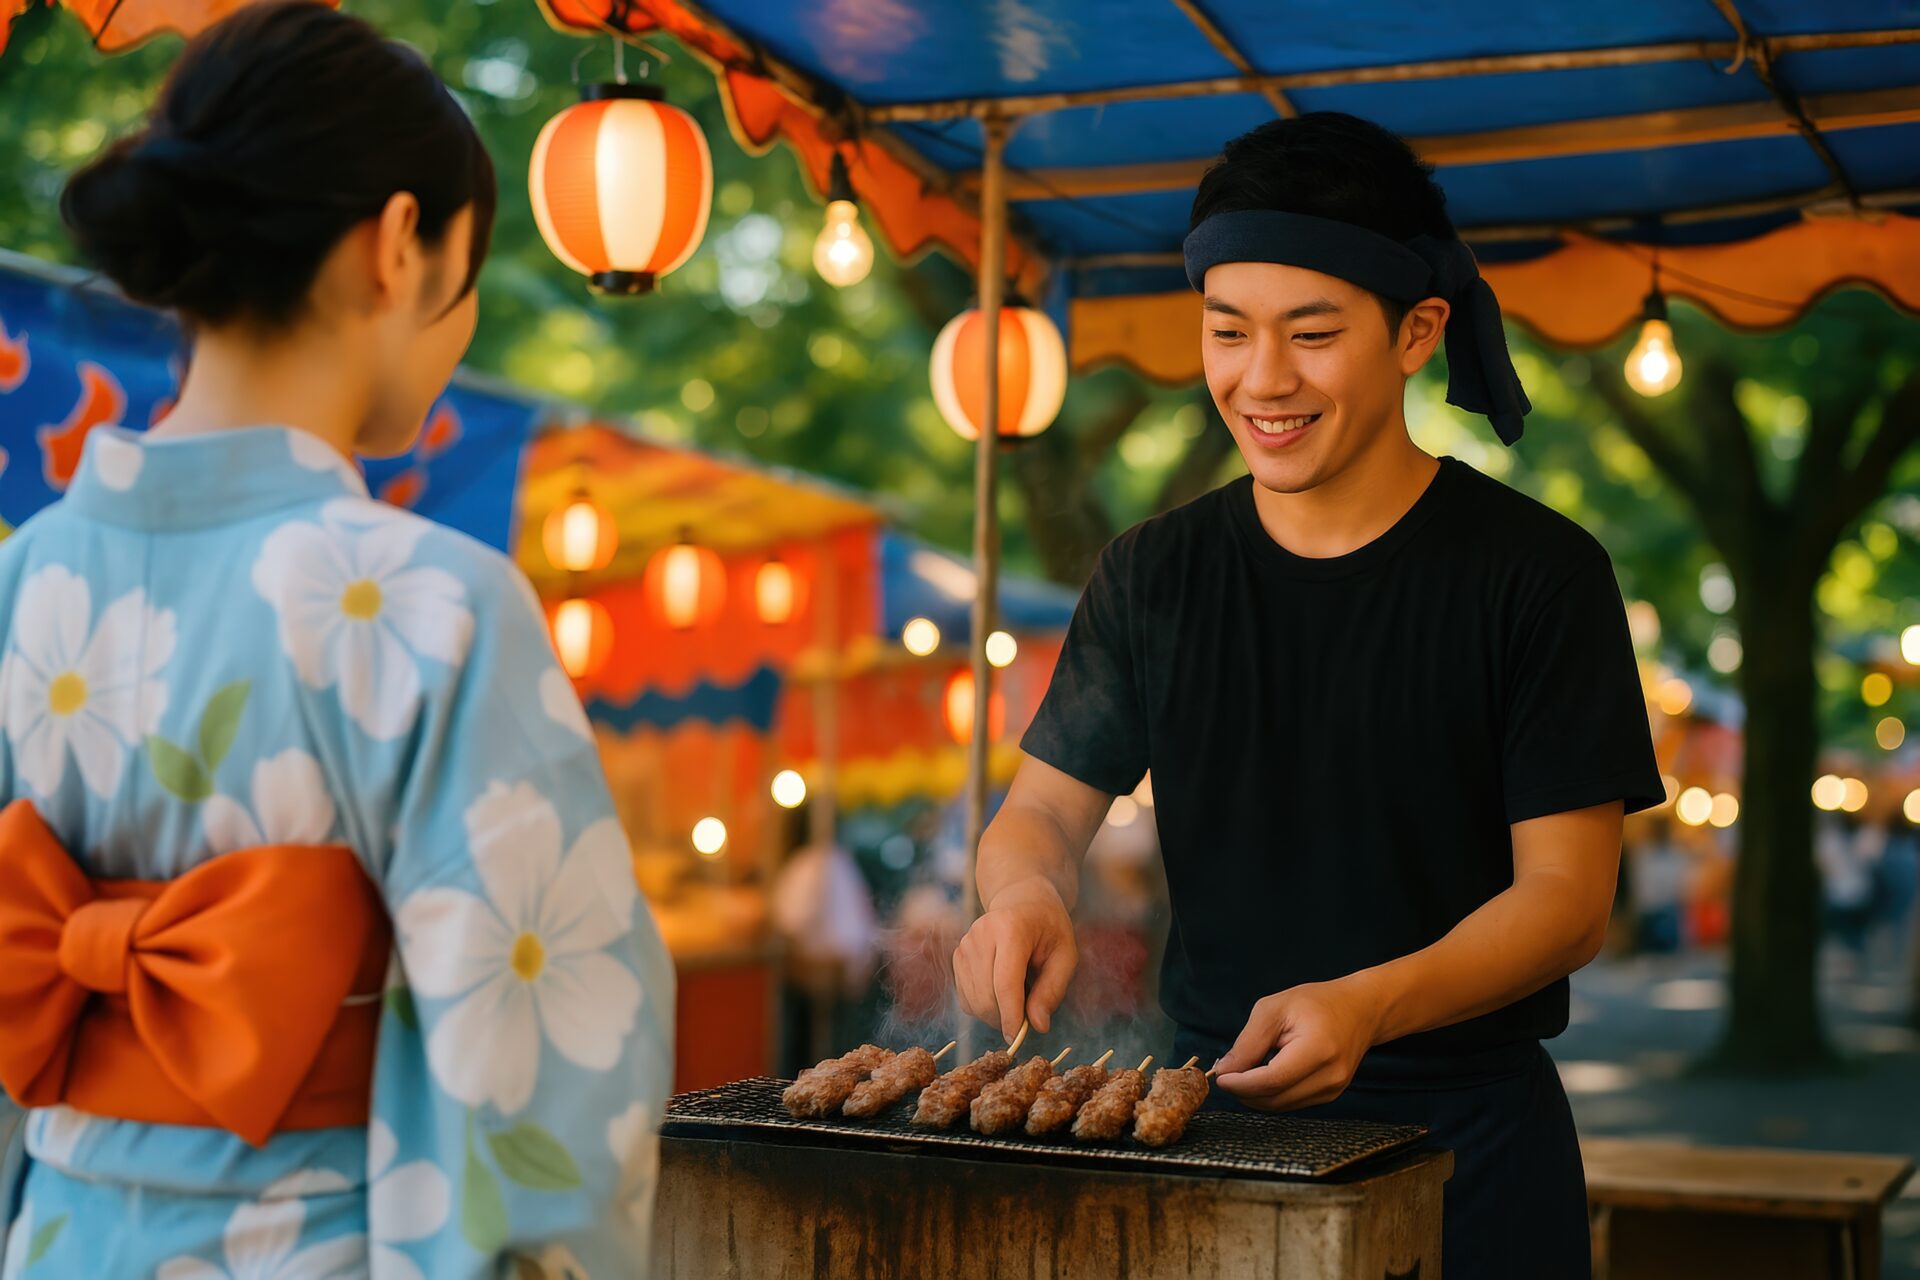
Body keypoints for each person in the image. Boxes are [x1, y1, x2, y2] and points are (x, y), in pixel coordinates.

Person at [0, 4, 674, 1275]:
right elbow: (546, 1065)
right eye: (469, 272)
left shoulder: (19, 581)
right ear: (401, 245)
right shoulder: (435, 602)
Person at [951, 112, 1662, 1280]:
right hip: (1209, 1126)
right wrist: (1024, 891)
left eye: (1314, 333)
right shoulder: (1154, 572)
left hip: (1467, 1147)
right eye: (1227, 331)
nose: (1262, 378)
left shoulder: (1536, 573)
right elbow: (1040, 811)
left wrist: (1371, 1003)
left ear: (1417, 331)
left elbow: (1570, 900)